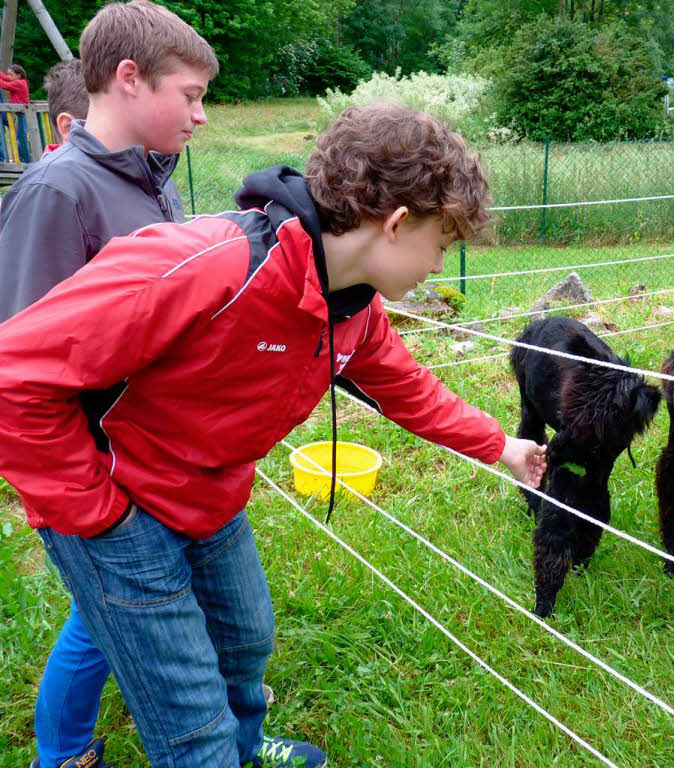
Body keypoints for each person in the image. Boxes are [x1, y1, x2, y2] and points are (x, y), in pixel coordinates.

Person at [0, 102, 549, 768]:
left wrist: (501, 445)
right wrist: (95, 513)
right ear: (398, 225)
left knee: (246, 638)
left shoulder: (351, 308)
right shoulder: (205, 265)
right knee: (189, 720)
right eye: (443, 243)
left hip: (213, 495)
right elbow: (13, 374)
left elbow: (409, 390)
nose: (440, 264)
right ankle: (206, 750)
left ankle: (244, 741)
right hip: (121, 506)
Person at [0, 4, 217, 767]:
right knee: (103, 620)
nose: (200, 114)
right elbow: (19, 366)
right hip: (100, 475)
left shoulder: (152, 182)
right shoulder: (60, 193)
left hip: (155, 459)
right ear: (128, 79)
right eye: (189, 95)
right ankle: (58, 755)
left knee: (108, 618)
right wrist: (90, 499)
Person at [0, 64, 31, 161]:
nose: (8, 77)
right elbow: (4, 78)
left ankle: (25, 160)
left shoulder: (19, 83)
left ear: (18, 75)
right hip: (19, 114)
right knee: (19, 137)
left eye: (11, 74)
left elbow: (4, 84)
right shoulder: (17, 80)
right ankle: (21, 158)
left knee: (21, 138)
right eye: (8, 74)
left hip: (21, 114)